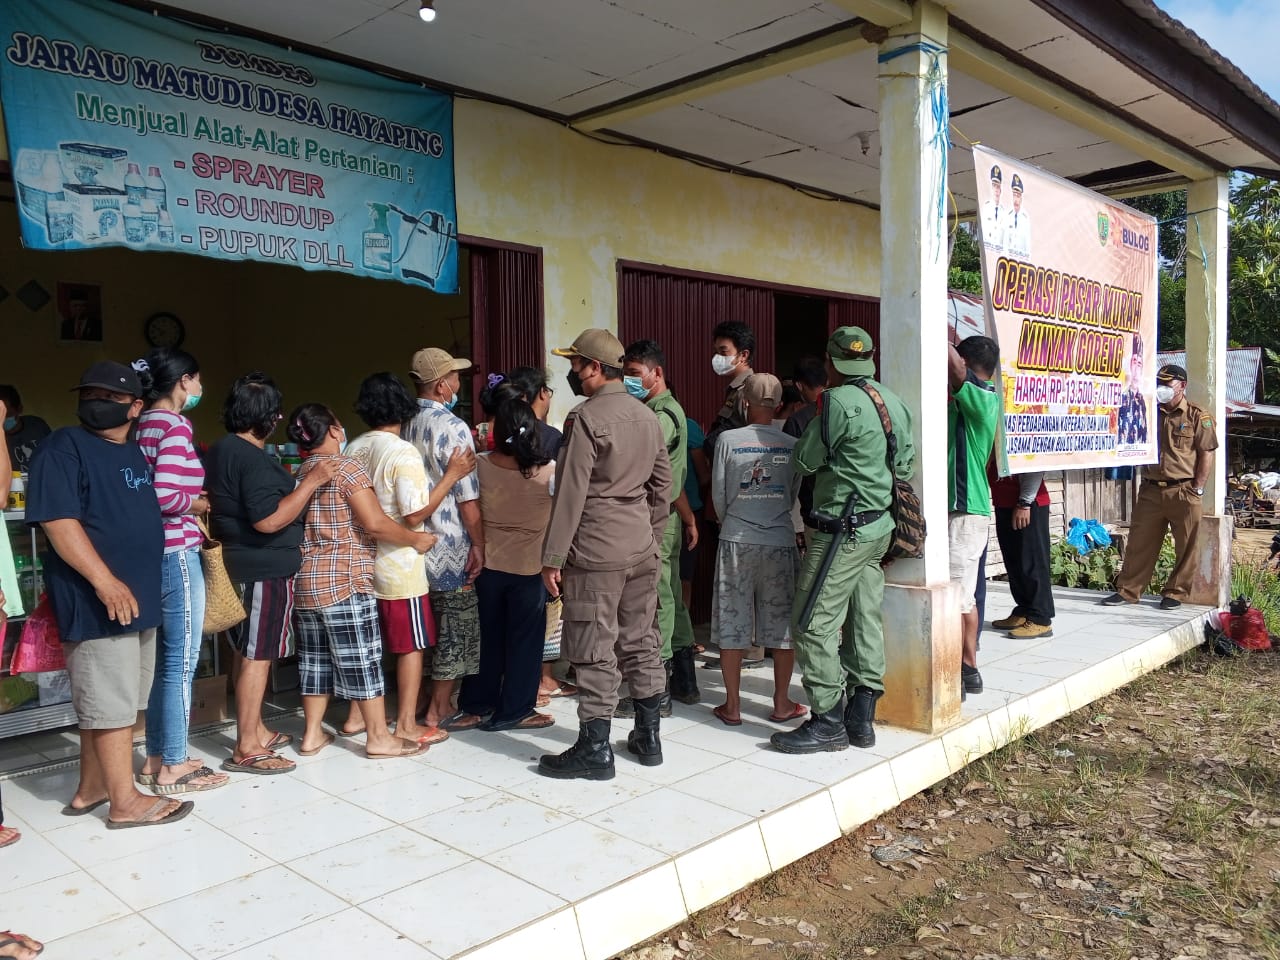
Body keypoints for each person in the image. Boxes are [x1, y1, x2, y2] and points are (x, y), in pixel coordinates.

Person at [26, 361, 191, 828]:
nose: (95, 403)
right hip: (98, 601)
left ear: (136, 407)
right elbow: (60, 522)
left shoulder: (133, 452)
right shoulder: (64, 447)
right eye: (89, 394)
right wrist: (105, 580)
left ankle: (92, 788)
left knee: (124, 703)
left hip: (138, 598)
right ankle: (125, 802)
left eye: (110, 396)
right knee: (109, 703)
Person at [770, 329, 915, 753]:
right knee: (864, 616)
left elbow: (805, 459)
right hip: (879, 528)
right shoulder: (892, 400)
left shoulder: (833, 402)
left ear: (831, 363)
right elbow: (905, 461)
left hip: (842, 532)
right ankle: (861, 718)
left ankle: (828, 718)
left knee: (810, 623)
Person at [538, 329, 672, 780]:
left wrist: (553, 556)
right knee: (641, 640)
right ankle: (648, 737)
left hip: (596, 548)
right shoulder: (646, 415)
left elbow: (571, 492)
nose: (572, 373)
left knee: (594, 647)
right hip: (639, 545)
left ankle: (595, 750)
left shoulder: (586, 418)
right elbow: (661, 487)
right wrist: (649, 535)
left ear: (595, 368)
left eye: (576, 365)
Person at [206, 373, 339, 775]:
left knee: (244, 651)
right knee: (258, 656)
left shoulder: (221, 450)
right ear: (268, 418)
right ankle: (247, 745)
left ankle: (256, 727)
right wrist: (310, 482)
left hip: (239, 565)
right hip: (262, 567)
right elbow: (268, 521)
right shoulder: (252, 459)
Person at [287, 404, 437, 759]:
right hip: (344, 580)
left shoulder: (302, 472)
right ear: (336, 431)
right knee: (363, 660)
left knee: (314, 662)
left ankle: (311, 735)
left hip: (308, 582)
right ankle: (378, 738)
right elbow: (375, 523)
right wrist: (414, 539)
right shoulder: (346, 469)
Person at [343, 373, 475, 744]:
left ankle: (356, 716)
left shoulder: (354, 446)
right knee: (411, 646)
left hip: (361, 561)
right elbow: (415, 514)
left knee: (371, 645)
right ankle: (405, 723)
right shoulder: (401, 452)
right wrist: (451, 476)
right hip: (400, 563)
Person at [134, 349, 228, 795]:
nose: (198, 389)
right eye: (196, 380)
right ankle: (174, 762)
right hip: (177, 552)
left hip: (155, 553)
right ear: (183, 381)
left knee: (165, 662)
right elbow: (165, 495)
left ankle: (156, 757)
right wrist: (198, 504)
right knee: (181, 661)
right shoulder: (172, 425)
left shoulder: (142, 425)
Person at [710, 373, 806, 726]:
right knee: (782, 626)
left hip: (736, 538)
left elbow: (719, 495)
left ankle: (732, 705)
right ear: (779, 405)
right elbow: (792, 495)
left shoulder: (727, 440)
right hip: (779, 540)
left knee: (732, 620)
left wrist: (735, 520)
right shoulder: (791, 444)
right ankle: (781, 703)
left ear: (744, 402)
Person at [456, 398, 557, 731]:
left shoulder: (480, 465)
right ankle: (514, 710)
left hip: (489, 565)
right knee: (525, 643)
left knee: (487, 638)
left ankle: (476, 704)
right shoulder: (550, 470)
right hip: (530, 568)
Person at [403, 348, 484, 729]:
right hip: (450, 544)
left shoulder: (403, 423)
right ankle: (440, 708)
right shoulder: (453, 427)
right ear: (441, 385)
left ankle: (417, 702)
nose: (458, 384)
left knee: (422, 631)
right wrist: (479, 544)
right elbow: (467, 499)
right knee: (456, 627)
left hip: (412, 544)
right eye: (454, 378)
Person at [622, 339, 699, 707]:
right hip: (665, 514)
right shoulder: (658, 409)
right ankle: (684, 681)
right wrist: (689, 518)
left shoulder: (660, 415)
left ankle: (659, 688)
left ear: (657, 373)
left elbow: (646, 463)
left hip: (655, 517)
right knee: (670, 596)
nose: (629, 382)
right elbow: (673, 477)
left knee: (658, 600)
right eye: (625, 375)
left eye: (635, 375)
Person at [1103, 363, 1218, 610]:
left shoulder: (1198, 416)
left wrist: (1197, 487)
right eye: (1159, 384)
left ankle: (1175, 593)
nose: (1162, 389)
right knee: (1139, 542)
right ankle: (1128, 591)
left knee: (1186, 546)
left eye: (1167, 385)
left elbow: (1206, 454)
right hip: (1151, 489)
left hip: (1184, 489)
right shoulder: (1148, 411)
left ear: (1182, 386)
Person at [503, 365, 576, 701]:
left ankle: (518, 676)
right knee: (547, 607)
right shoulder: (549, 438)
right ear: (540, 395)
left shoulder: (495, 436)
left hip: (502, 541)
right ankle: (542, 678)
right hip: (542, 535)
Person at [948, 336, 1002, 698]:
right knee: (962, 595)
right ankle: (966, 671)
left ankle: (963, 668)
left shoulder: (982, 398)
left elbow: (953, 368)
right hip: (961, 512)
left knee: (957, 597)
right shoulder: (966, 399)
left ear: (966, 363)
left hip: (967, 513)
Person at [989, 462, 1055, 639]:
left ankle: (1041, 618)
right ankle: (1024, 610)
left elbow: (1033, 463)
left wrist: (1025, 503)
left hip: (1027, 503)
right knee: (1014, 562)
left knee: (1032, 562)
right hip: (1004, 500)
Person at [674, 415, 710, 656]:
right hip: (688, 511)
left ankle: (679, 638)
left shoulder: (686, 425)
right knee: (683, 579)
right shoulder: (689, 425)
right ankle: (683, 638)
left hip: (669, 510)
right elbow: (704, 474)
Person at [784, 356, 830, 539]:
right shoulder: (845, 410)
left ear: (799, 386)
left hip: (813, 512)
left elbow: (789, 472)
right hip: (850, 511)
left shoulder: (797, 420)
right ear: (827, 380)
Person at [705, 320, 756, 456]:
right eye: (716, 352)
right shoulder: (735, 389)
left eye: (723, 351)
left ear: (744, 355)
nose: (717, 358)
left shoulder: (749, 390)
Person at [0, 385, 51, 474]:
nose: (2, 418)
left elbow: (54, 453)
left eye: (7, 413)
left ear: (19, 409)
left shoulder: (37, 425)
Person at [1118, 333, 1149, 446]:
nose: (1136, 367)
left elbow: (1143, 428)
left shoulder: (1141, 398)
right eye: (1134, 362)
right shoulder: (1123, 395)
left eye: (1139, 363)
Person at [1004, 173, 1031, 258]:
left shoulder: (1026, 218)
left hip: (1021, 262)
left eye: (1018, 196)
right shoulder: (1007, 216)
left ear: (1021, 198)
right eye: (1014, 195)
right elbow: (1005, 242)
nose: (1016, 199)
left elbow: (1028, 244)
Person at [980, 164, 1005, 249]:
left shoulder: (1004, 212)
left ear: (1001, 189)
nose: (996, 190)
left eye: (998, 186)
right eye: (994, 186)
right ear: (991, 187)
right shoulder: (985, 208)